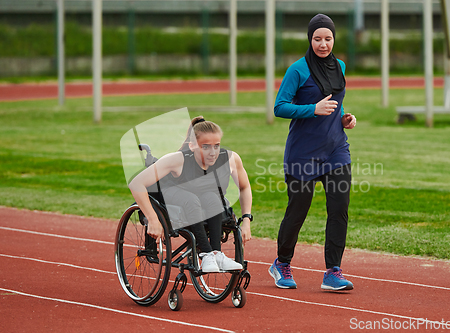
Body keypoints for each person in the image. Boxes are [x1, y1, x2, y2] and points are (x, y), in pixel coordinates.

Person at [268, 14, 356, 291]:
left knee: (339, 209)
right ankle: (282, 263)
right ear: (310, 39)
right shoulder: (298, 69)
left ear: (334, 39)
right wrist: (312, 110)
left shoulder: (339, 66)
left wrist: (344, 118)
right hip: (303, 154)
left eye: (328, 38)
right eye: (317, 39)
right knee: (298, 210)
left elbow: (335, 101)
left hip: (336, 151)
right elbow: (279, 106)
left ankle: (333, 271)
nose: (323, 44)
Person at [129, 116, 253, 273]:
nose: (213, 152)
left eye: (216, 146)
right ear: (192, 145)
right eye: (206, 147)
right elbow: (136, 184)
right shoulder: (177, 160)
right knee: (191, 199)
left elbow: (244, 187)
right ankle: (207, 254)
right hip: (172, 194)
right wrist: (153, 219)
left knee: (214, 198)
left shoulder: (230, 158)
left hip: (203, 198)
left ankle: (216, 253)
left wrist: (247, 220)